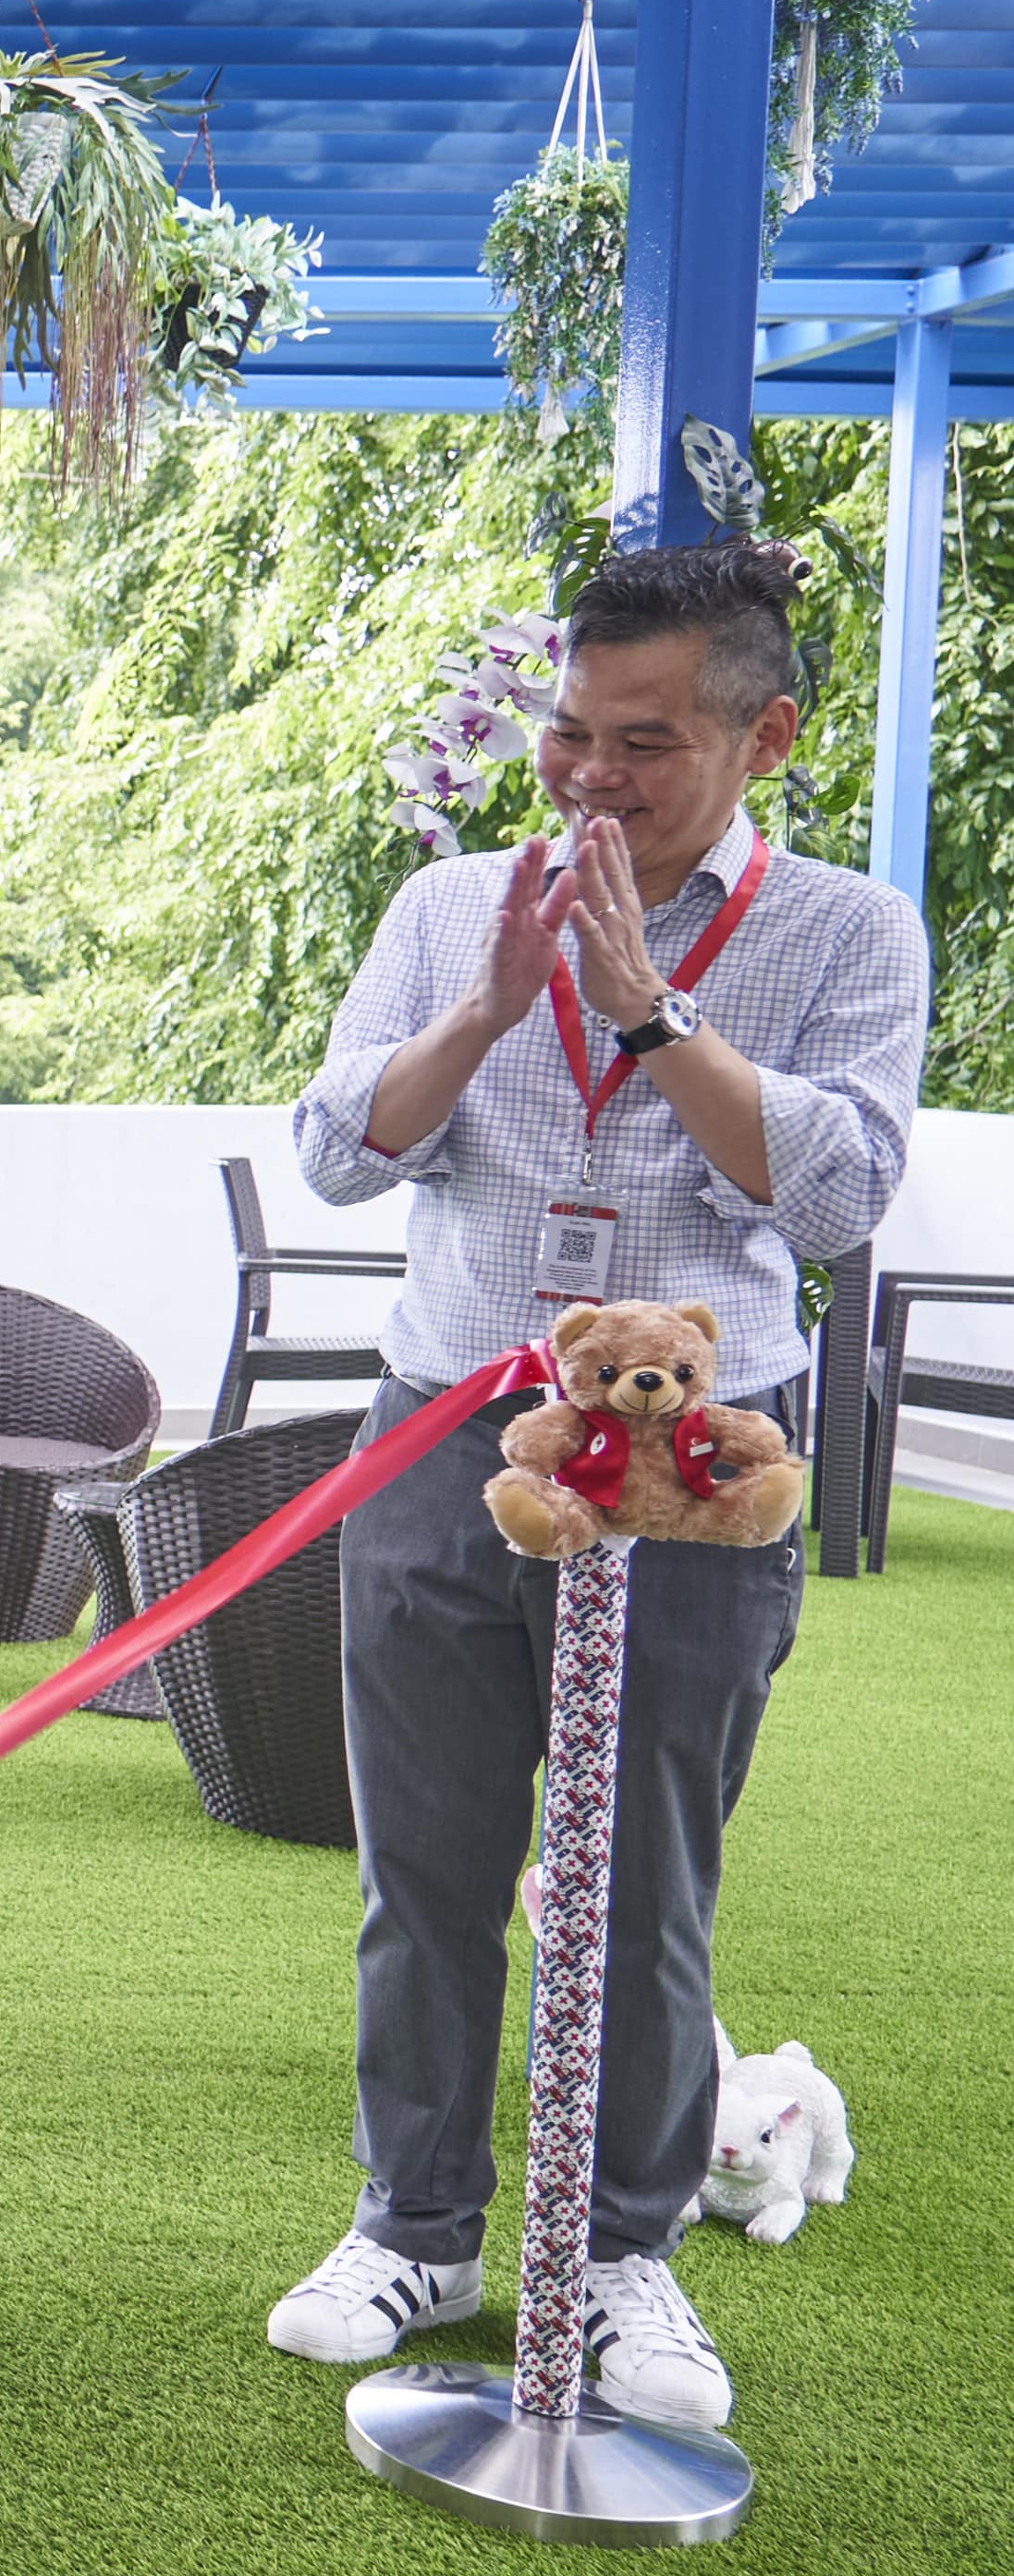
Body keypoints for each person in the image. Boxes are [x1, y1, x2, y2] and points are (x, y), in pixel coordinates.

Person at [269, 540, 922, 2432]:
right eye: (570, 730)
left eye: (644, 743)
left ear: (762, 732)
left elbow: (835, 1196)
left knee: (643, 1879)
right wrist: (482, 1007)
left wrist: (645, 1012)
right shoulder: (446, 901)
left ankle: (625, 2247)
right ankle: (417, 2223)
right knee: (424, 1865)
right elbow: (332, 1152)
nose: (591, 777)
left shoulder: (842, 933)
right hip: (442, 1431)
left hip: (695, 1472)